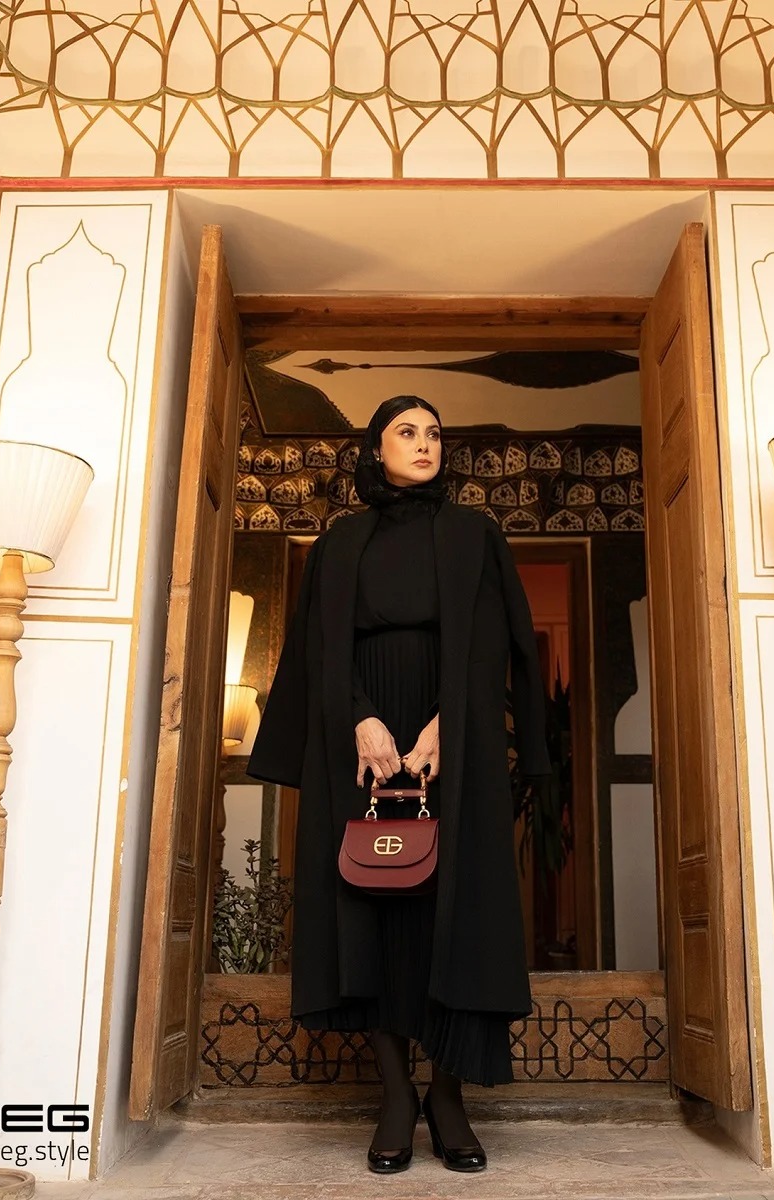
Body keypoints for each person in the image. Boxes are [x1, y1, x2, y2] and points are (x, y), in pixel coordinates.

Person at [246, 395, 552, 1174]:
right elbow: (319, 647)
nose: (424, 444)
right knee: (371, 911)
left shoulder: (475, 534)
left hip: (458, 742)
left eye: (433, 434)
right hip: (363, 749)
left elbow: (496, 641)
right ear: (374, 449)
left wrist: (453, 719)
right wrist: (359, 719)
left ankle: (447, 1098)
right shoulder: (341, 542)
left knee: (458, 909)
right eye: (406, 433)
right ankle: (393, 1096)